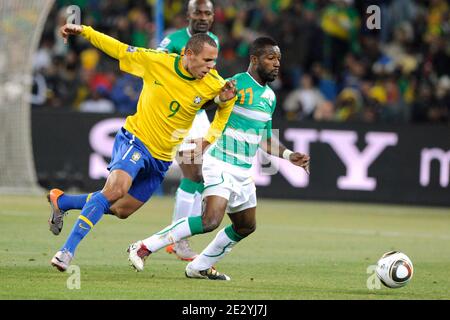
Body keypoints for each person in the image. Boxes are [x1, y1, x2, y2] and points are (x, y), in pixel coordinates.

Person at [48, 23, 237, 272]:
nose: (211, 66)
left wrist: (207, 138)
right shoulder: (157, 61)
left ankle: (62, 201)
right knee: (115, 189)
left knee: (121, 209)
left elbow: (225, 110)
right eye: (207, 60)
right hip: (136, 139)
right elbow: (119, 50)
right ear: (188, 54)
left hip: (162, 158)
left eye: (214, 61)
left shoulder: (214, 83)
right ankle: (66, 251)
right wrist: (86, 31)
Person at [127, 37, 310, 280]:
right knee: (210, 219)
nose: (277, 64)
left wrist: (288, 155)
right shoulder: (235, 84)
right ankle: (144, 246)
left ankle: (199, 266)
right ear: (254, 59)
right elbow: (206, 105)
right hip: (220, 161)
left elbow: (265, 139)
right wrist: (218, 101)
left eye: (278, 59)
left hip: (243, 171)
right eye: (271, 58)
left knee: (246, 226)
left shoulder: (269, 97)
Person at [157, 0, 219, 261]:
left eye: (207, 13)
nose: (203, 17)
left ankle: (178, 238)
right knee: (193, 174)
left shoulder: (213, 39)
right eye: (198, 12)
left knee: (204, 176)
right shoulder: (172, 40)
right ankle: (178, 240)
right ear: (189, 15)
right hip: (179, 115)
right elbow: (156, 69)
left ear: (213, 17)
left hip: (199, 114)